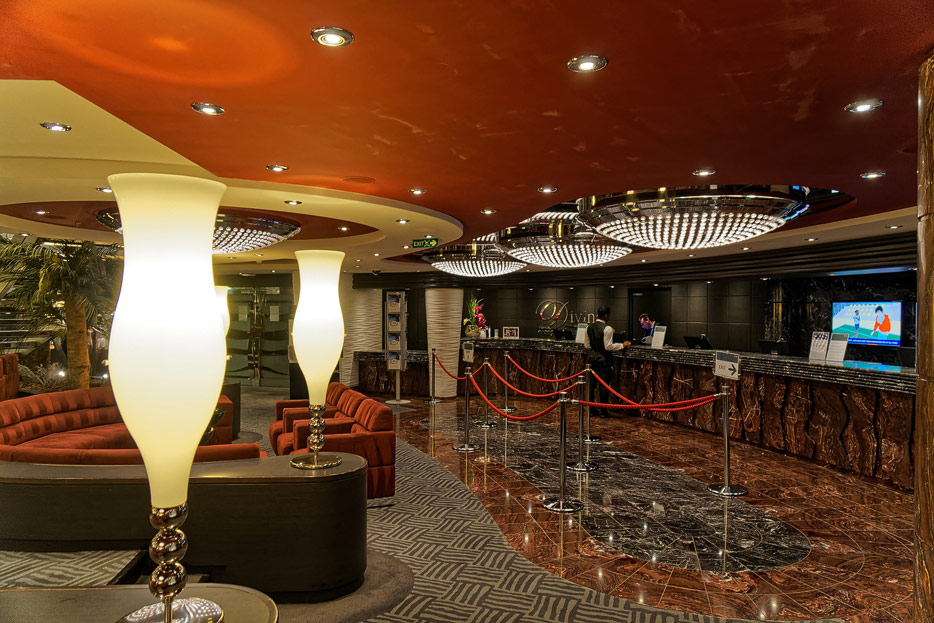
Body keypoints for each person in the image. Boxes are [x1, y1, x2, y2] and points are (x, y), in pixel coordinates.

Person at [584, 306, 631, 418]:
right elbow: (608, 346)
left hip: (592, 359)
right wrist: (622, 345)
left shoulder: (588, 327)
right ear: (606, 315)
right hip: (604, 360)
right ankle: (603, 411)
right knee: (604, 386)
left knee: (591, 385)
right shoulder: (608, 329)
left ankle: (591, 410)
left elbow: (587, 345)